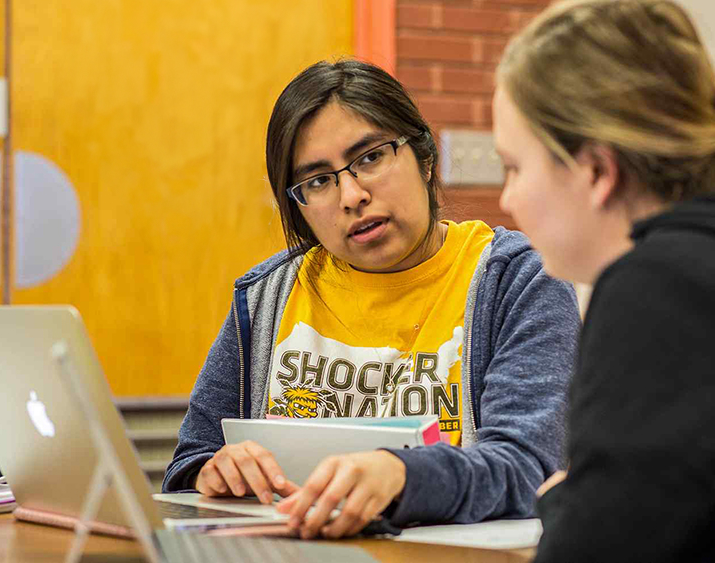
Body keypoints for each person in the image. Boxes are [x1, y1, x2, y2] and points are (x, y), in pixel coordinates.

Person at [163, 59, 580, 539]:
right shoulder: (266, 296)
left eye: (370, 157)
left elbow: (528, 467)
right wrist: (217, 470)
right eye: (318, 181)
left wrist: (402, 476)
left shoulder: (519, 280)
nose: (351, 195)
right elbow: (191, 460)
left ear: (423, 156)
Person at [493, 0, 715, 562]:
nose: (506, 198)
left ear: (596, 170)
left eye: (515, 167)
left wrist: (570, 506)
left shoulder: (661, 287)